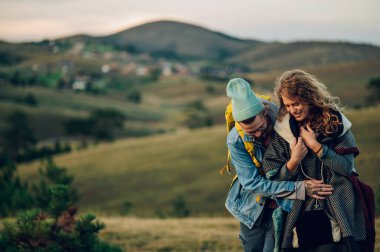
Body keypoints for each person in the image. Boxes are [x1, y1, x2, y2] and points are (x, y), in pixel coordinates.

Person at [224, 78, 333, 252]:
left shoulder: (284, 119)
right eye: (251, 132)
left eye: (261, 127)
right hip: (253, 205)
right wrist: (300, 188)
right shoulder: (235, 140)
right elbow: (252, 183)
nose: (259, 134)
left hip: (284, 203)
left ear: (265, 112)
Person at [263, 69, 367, 251]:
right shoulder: (283, 132)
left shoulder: (336, 123)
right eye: (287, 105)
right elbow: (273, 177)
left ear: (309, 97)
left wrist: (317, 147)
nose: (292, 110)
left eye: (296, 103)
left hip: (338, 205)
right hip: (302, 209)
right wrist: (294, 160)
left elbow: (346, 169)